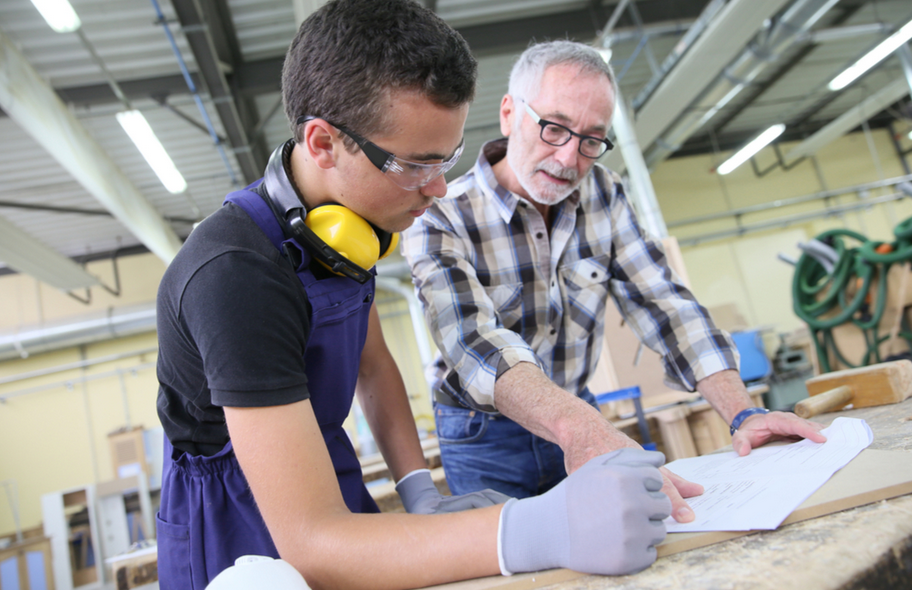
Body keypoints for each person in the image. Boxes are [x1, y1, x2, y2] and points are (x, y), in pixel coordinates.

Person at [155, 4, 674, 589]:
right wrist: (535, 528)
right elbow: (313, 543)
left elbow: (372, 368)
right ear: (323, 142)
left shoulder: (341, 228)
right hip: (243, 530)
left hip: (327, 485)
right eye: (414, 164)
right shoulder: (237, 275)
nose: (438, 189)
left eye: (447, 159)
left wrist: (419, 490)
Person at [402, 39, 827, 523]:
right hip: (482, 434)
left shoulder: (604, 192)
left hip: (578, 407)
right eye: (554, 128)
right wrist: (579, 427)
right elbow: (473, 340)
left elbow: (665, 305)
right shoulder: (439, 215)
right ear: (508, 113)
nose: (568, 159)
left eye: (591, 140)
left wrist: (744, 413)